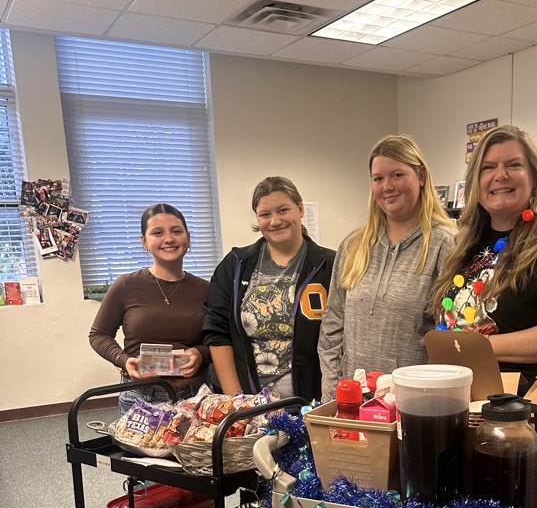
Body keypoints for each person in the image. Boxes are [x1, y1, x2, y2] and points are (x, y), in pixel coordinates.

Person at [432, 125, 537, 382]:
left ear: (534, 176)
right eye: (488, 167)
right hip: (463, 393)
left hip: (526, 404)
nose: (500, 175)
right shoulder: (468, 239)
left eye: (513, 164)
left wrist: (476, 347)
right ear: (475, 181)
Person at [318, 135, 455, 399]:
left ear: (421, 176)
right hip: (353, 403)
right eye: (378, 178)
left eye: (397, 175)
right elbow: (332, 327)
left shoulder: (445, 244)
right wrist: (333, 395)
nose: (387, 186)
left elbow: (448, 340)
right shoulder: (353, 245)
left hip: (413, 404)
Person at [203, 176, 335, 404]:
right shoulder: (235, 266)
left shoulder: (331, 265)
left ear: (300, 209)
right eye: (265, 214)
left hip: (314, 402)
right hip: (250, 403)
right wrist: (238, 402)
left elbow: (341, 335)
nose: (275, 221)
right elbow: (217, 332)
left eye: (283, 210)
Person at [89, 203, 210, 416]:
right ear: (144, 241)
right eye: (157, 232)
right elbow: (98, 335)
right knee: (142, 451)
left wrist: (200, 353)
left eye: (176, 231)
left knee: (198, 451)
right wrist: (124, 360)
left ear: (188, 237)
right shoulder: (126, 285)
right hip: (140, 396)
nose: (169, 239)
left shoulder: (206, 289)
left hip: (196, 395)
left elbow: (220, 339)